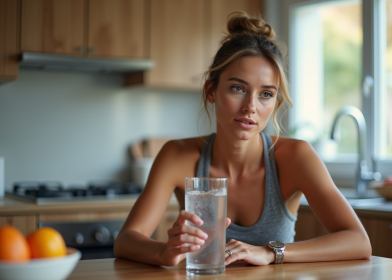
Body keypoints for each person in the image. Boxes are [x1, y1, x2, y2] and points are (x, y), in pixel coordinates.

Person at [114, 11, 371, 266]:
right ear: (211, 91)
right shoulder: (178, 155)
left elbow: (359, 242)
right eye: (238, 88)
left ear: (276, 102)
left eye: (266, 94)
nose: (251, 106)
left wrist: (270, 252)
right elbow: (126, 240)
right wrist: (164, 252)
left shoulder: (296, 157)